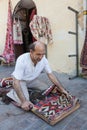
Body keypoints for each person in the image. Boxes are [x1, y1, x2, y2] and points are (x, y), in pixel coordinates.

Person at [7, 41, 69, 111]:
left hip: (33, 80)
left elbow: (50, 75)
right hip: (21, 81)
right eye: (38, 54)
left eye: (43, 54)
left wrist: (61, 88)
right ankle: (12, 93)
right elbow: (16, 81)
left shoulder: (44, 59)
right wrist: (24, 101)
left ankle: (25, 91)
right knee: (27, 104)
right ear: (31, 52)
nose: (41, 57)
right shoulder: (22, 60)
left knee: (45, 89)